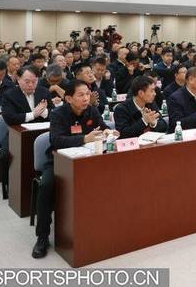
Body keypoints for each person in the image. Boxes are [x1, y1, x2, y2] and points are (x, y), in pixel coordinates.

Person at [32, 80, 119, 259]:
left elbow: (102, 127)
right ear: (69, 98)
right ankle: (42, 237)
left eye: (87, 94)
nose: (86, 98)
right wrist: (84, 139)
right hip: (59, 161)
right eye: (81, 95)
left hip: (89, 160)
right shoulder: (58, 114)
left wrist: (109, 132)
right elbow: (56, 140)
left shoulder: (92, 111)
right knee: (46, 186)